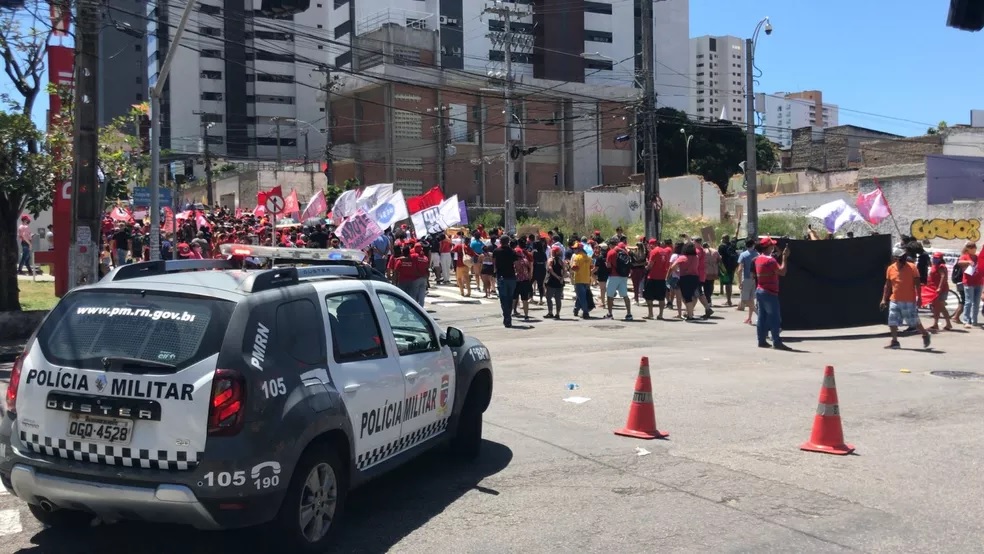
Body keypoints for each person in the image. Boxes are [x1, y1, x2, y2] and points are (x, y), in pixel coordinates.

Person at [881, 247, 931, 349]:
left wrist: (919, 298)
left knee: (913, 321)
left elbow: (917, 284)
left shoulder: (912, 267)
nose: (903, 259)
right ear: (895, 258)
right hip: (895, 299)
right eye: (901, 257)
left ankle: (925, 334)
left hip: (909, 300)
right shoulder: (890, 269)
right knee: (892, 320)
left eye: (904, 256)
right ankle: (895, 341)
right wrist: (883, 299)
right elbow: (887, 285)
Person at [753, 237, 790, 350]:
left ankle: (761, 340)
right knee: (774, 318)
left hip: (760, 290)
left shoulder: (758, 259)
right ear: (768, 247)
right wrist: (784, 257)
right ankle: (776, 342)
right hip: (769, 292)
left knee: (762, 317)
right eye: (772, 245)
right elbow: (782, 272)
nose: (773, 247)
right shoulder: (770, 260)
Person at [493, 238, 521, 328]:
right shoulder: (512, 251)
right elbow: (517, 264)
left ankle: (507, 317)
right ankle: (508, 316)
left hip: (501, 277)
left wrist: (495, 271)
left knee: (503, 299)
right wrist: (517, 272)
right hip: (511, 277)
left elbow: (494, 263)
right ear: (508, 242)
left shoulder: (496, 251)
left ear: (500, 242)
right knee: (510, 298)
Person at [605, 241, 634, 320]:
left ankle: (610, 314)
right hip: (623, 276)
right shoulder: (624, 252)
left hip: (613, 276)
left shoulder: (611, 252)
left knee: (610, 295)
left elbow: (608, 265)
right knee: (625, 295)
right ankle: (629, 314)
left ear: (611, 245)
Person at [955, 242, 981, 329]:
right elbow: (959, 262)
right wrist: (968, 262)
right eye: (972, 248)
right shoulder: (965, 256)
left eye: (974, 248)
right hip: (968, 282)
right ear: (968, 249)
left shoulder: (977, 256)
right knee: (968, 301)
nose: (974, 250)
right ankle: (966, 320)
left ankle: (974, 320)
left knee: (976, 302)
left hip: (979, 281)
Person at [923, 252, 952, 332]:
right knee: (937, 307)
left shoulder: (941, 266)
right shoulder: (934, 265)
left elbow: (943, 277)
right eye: (934, 257)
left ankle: (943, 324)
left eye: (937, 258)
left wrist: (939, 287)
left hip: (940, 290)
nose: (935, 259)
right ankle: (939, 324)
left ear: (940, 259)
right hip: (933, 289)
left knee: (940, 307)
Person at [736, 239, 758, 325]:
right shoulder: (757, 254)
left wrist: (739, 282)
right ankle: (749, 318)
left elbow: (739, 269)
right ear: (753, 245)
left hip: (746, 279)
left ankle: (758, 314)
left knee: (745, 299)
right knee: (751, 300)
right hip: (755, 279)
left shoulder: (743, 255)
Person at [570, 242, 593, 319]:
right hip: (586, 279)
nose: (574, 250)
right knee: (580, 295)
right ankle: (576, 309)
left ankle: (585, 312)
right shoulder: (588, 258)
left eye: (575, 248)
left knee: (582, 296)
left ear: (579, 249)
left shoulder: (577, 257)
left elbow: (574, 268)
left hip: (579, 279)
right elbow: (591, 268)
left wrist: (570, 266)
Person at [544, 245, 566, 319]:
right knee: (558, 299)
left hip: (551, 281)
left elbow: (550, 269)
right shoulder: (561, 261)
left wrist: (557, 277)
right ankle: (557, 313)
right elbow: (565, 270)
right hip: (560, 282)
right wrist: (561, 278)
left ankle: (550, 312)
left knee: (548, 297)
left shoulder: (550, 260)